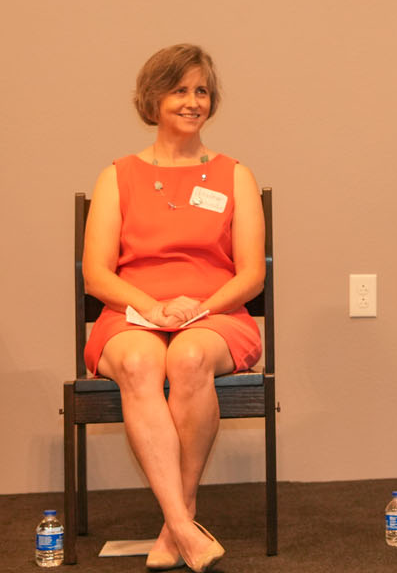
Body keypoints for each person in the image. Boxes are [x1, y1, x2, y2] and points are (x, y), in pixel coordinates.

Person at [82, 44, 264, 573]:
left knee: (187, 360)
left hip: (217, 314)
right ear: (153, 98)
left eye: (201, 91)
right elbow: (97, 274)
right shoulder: (117, 175)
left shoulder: (235, 175)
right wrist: (152, 307)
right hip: (132, 311)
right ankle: (185, 526)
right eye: (180, 90)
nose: (192, 102)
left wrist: (198, 308)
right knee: (140, 363)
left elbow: (251, 273)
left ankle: (175, 521)